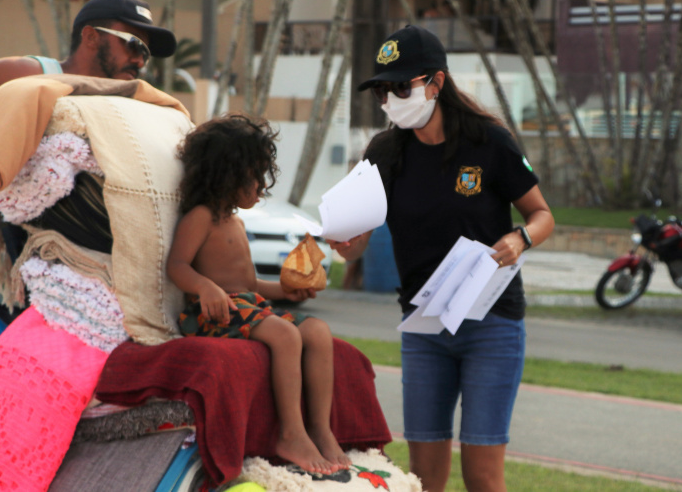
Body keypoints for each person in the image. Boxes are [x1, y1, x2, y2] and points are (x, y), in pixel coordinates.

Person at [0, 0, 177, 492]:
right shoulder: (26, 75)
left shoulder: (122, 100)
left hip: (60, 280)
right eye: (133, 43)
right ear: (91, 36)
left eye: (148, 52)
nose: (140, 59)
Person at [329, 25, 555, 492]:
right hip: (425, 325)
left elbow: (542, 215)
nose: (391, 99)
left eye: (401, 86)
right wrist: (344, 243)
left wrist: (521, 240)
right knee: (423, 478)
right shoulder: (385, 152)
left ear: (435, 83)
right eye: (383, 91)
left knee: (483, 478)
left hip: (491, 325)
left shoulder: (489, 142)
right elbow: (360, 237)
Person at [166, 114, 351, 475]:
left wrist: (288, 291)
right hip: (214, 314)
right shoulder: (201, 217)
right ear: (227, 174)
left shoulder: (235, 221)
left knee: (317, 331)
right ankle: (291, 433)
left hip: (247, 307)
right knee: (284, 334)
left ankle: (320, 428)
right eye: (254, 175)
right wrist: (205, 287)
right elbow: (177, 266)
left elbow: (250, 286)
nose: (261, 186)